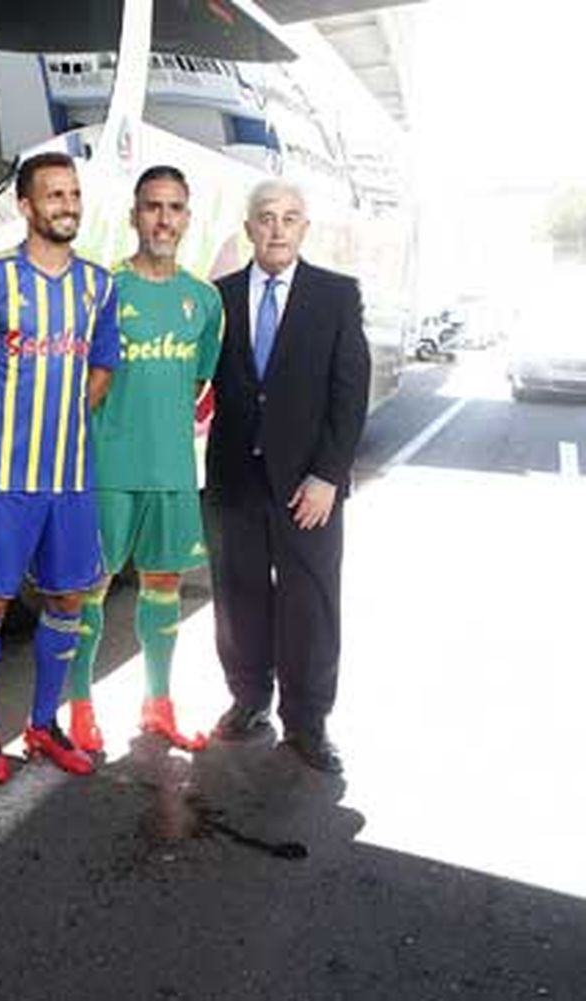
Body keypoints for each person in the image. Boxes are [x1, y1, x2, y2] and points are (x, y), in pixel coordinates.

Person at [0, 152, 118, 783]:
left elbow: (102, 367)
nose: (67, 205)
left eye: (73, 194)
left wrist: (67, 416)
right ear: (25, 205)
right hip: (5, 477)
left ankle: (44, 723)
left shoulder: (98, 284)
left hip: (70, 477)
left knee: (67, 597)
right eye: (54, 194)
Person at [205, 180, 369, 774]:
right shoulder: (218, 297)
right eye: (267, 217)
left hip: (308, 486)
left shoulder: (336, 295)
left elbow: (350, 392)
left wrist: (328, 475)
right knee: (239, 595)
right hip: (235, 479)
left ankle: (308, 721)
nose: (277, 228)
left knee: (311, 601)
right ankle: (249, 699)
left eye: (290, 218)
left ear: (304, 228)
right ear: (249, 227)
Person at [64, 165, 225, 756]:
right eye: (153, 206)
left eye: (174, 207)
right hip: (109, 468)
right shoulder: (106, 289)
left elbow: (197, 385)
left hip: (173, 471)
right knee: (90, 587)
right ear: (134, 215)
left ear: (187, 218)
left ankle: (158, 703)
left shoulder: (204, 300)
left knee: (164, 583)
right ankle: (80, 707)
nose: (163, 219)